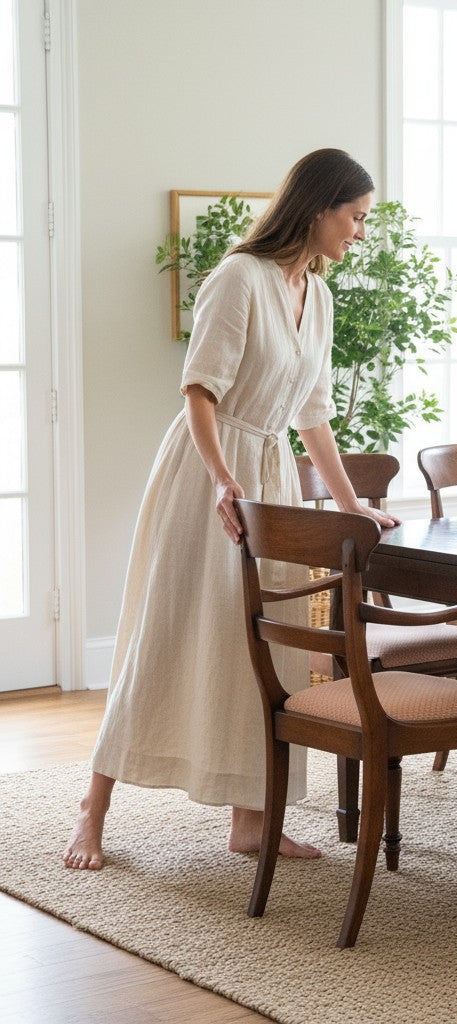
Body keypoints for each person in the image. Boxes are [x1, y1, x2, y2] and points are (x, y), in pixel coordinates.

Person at [63, 148, 398, 870]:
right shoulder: (239, 278)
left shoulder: (321, 295)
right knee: (166, 631)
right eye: (356, 216)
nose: (361, 232)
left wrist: (351, 509)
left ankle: (254, 820)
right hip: (206, 474)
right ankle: (93, 808)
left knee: (268, 639)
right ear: (318, 209)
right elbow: (199, 392)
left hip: (272, 474)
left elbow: (313, 417)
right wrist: (222, 480)